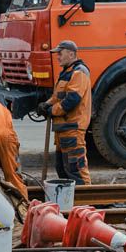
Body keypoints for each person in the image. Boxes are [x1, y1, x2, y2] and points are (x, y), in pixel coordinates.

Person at [37, 40, 92, 184]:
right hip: (64, 129)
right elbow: (58, 96)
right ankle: (70, 202)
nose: (58, 57)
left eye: (60, 54)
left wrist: (51, 111)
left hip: (72, 128)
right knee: (62, 169)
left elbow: (71, 100)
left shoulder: (79, 72)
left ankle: (86, 200)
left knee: (76, 170)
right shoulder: (67, 72)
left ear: (71, 54)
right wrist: (46, 104)